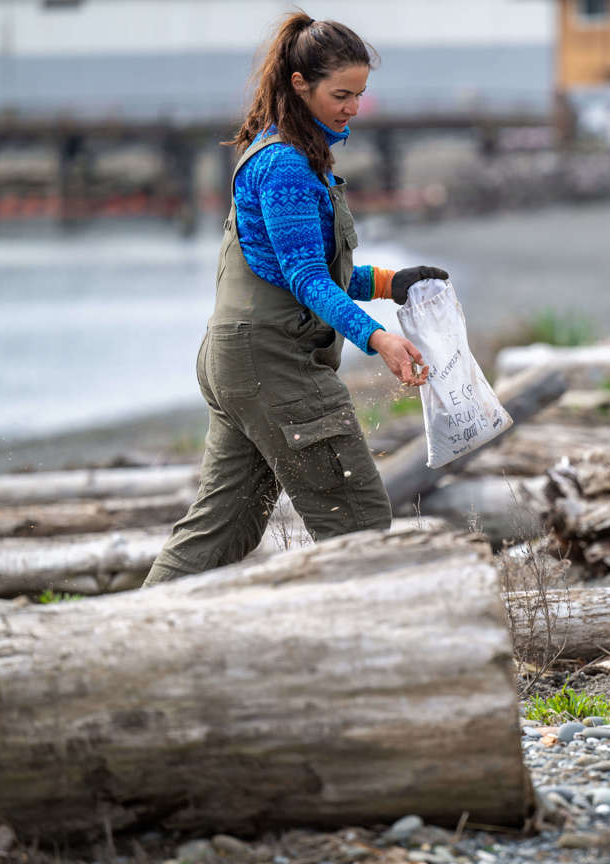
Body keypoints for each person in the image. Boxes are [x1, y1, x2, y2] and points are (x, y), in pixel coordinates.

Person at [143, 11, 447, 587]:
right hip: (274, 367)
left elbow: (299, 273)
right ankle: (371, 662)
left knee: (221, 530)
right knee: (357, 524)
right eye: (341, 94)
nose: (353, 107)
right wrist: (379, 338)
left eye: (360, 95)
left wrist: (389, 284)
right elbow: (308, 281)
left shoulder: (282, 153)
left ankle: (131, 641)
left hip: (239, 362)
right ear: (299, 84)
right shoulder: (284, 165)